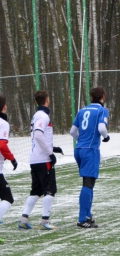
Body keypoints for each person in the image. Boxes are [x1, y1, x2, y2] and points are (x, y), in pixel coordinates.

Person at [18, 90, 63, 230]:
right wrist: (50, 153)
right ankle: (44, 222)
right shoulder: (43, 116)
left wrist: (52, 147)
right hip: (43, 159)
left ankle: (23, 219)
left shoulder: (36, 115)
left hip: (35, 159)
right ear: (47, 100)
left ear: (36, 102)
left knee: (36, 190)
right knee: (50, 190)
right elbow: (38, 135)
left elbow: (39, 137)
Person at [70, 86, 110, 228]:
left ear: (91, 98)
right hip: (90, 150)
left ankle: (87, 215)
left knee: (89, 182)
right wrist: (106, 137)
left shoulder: (82, 111)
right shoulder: (102, 110)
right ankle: (82, 219)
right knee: (88, 182)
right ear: (103, 98)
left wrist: (81, 140)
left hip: (79, 149)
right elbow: (101, 128)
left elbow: (72, 131)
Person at [0, 94, 18, 224]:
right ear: (4, 107)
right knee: (7, 198)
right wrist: (12, 158)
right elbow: (2, 145)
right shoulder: (3, 123)